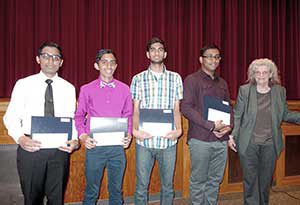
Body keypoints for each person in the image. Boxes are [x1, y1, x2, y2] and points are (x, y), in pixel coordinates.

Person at [3, 41, 79, 205]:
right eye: (46, 56)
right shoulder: (24, 84)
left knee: (56, 198)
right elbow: (10, 117)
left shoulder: (69, 88)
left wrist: (75, 140)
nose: (51, 60)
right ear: (38, 59)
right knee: (32, 198)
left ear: (61, 62)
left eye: (56, 57)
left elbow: (71, 119)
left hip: (60, 150)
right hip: (31, 148)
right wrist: (21, 139)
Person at [228, 58, 300, 205]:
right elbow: (238, 114)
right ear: (253, 74)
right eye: (257, 72)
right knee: (250, 182)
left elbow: (285, 114)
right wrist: (231, 135)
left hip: (270, 144)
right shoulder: (245, 90)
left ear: (270, 74)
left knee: (265, 182)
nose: (261, 75)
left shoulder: (280, 91)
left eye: (265, 72)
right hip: (249, 144)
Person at [75, 49, 132, 205]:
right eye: (104, 62)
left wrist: (129, 135)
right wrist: (83, 136)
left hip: (117, 148)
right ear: (96, 65)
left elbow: (128, 116)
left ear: (116, 65)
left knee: (116, 190)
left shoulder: (125, 89)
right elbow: (79, 116)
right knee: (91, 190)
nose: (109, 65)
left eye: (112, 62)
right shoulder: (86, 89)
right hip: (95, 148)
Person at [130, 37, 183, 205]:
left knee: (168, 186)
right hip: (144, 141)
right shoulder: (138, 79)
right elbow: (136, 109)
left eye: (160, 49)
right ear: (147, 54)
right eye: (153, 49)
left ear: (165, 54)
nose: (157, 52)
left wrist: (179, 130)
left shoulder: (175, 78)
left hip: (168, 142)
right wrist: (135, 130)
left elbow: (176, 108)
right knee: (141, 187)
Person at [181, 44, 232, 205]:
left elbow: (229, 108)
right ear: (201, 59)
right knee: (198, 181)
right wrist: (211, 125)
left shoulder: (222, 83)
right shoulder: (192, 80)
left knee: (215, 180)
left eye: (217, 57)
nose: (213, 60)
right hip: (200, 139)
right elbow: (186, 108)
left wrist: (228, 126)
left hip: (221, 140)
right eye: (209, 56)